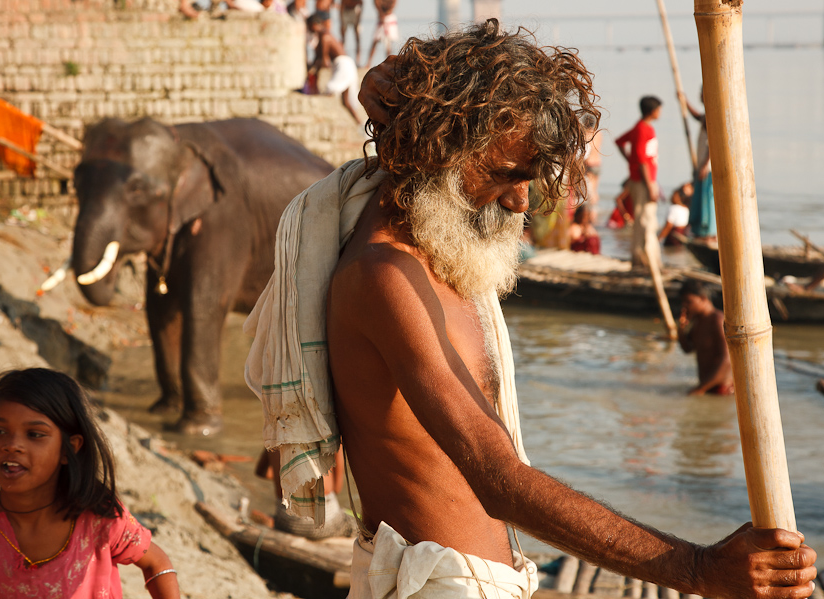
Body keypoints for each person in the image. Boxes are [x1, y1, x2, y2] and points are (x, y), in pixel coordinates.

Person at [244, 21, 817, 599]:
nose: (520, 201)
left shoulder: (435, 245)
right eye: (504, 174)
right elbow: (499, 481)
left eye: (529, 178)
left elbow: (391, 88)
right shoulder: (385, 277)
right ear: (436, 146)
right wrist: (698, 570)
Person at [0, 368, 180, 599]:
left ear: (68, 448)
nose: (12, 445)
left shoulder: (100, 519)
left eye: (35, 435)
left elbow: (157, 564)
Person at [255, 447, 355, 538]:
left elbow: (261, 472)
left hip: (287, 522)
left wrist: (288, 478)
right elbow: (337, 488)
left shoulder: (274, 435)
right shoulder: (329, 434)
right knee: (355, 525)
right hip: (326, 522)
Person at [616, 96, 663, 272]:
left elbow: (620, 142)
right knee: (647, 221)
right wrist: (650, 184)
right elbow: (643, 159)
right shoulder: (645, 130)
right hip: (644, 181)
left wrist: (630, 161)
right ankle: (650, 262)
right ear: (652, 111)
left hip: (639, 179)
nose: (660, 112)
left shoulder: (638, 128)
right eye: (659, 109)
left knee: (641, 220)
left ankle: (638, 259)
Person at [677, 281, 735, 395]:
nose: (685, 306)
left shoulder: (717, 320)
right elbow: (687, 349)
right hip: (706, 387)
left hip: (722, 390)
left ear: (703, 298)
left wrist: (700, 389)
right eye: (683, 303)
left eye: (688, 302)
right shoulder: (697, 321)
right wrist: (680, 330)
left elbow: (727, 360)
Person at [307, 12, 365, 124]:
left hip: (343, 66)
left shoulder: (325, 37)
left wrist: (314, 69)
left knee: (330, 90)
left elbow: (324, 62)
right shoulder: (322, 36)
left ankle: (322, 121)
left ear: (313, 25)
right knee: (346, 102)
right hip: (344, 65)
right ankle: (361, 126)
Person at [680, 86, 717, 242]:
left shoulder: (713, 117)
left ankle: (708, 233)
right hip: (702, 164)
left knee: (707, 199)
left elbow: (713, 144)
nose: (700, 96)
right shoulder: (706, 116)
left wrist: (703, 165)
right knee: (700, 197)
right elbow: (697, 116)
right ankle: (701, 232)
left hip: (707, 167)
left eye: (702, 93)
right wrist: (684, 101)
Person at [364, 0, 398, 69]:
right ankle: (368, 63)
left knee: (388, 44)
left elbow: (393, 4)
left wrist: (384, 13)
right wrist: (381, 13)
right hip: (382, 19)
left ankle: (389, 62)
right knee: (375, 41)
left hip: (388, 18)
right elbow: (377, 3)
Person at [659, 181, 693, 246]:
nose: (672, 197)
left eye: (674, 195)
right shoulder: (686, 209)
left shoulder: (673, 208)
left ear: (680, 198)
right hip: (682, 236)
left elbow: (668, 226)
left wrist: (658, 239)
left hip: (673, 238)